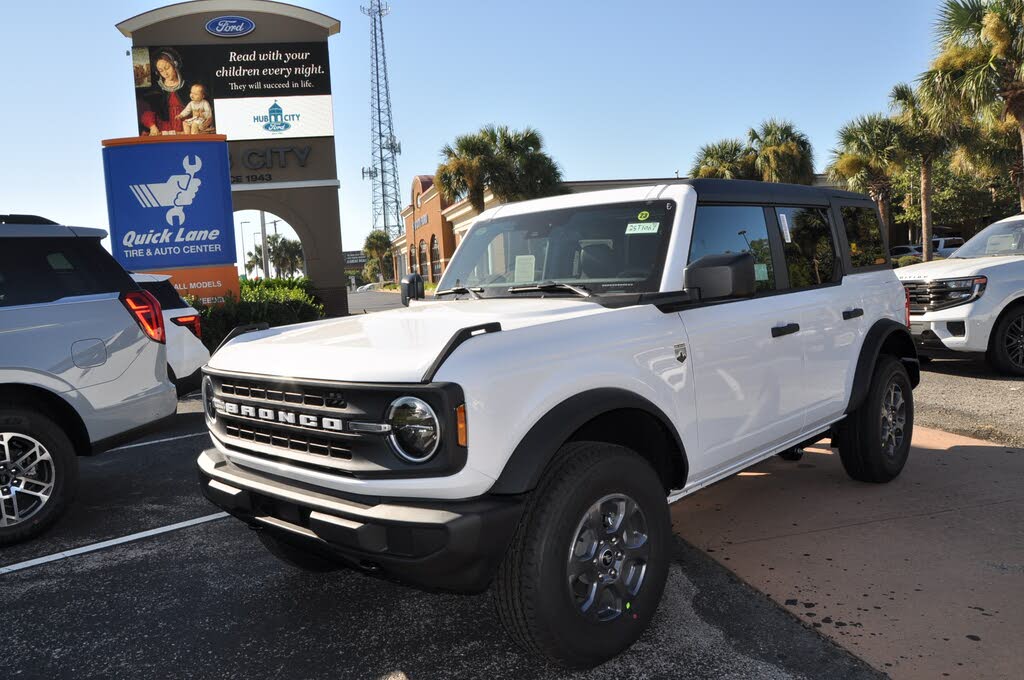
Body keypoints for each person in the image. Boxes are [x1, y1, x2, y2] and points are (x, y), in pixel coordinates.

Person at [137, 48, 193, 135]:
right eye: (161, 71)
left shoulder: (189, 86)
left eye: (167, 68)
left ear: (175, 64)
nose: (165, 73)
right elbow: (148, 112)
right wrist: (152, 126)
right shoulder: (156, 90)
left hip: (186, 128)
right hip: (165, 128)